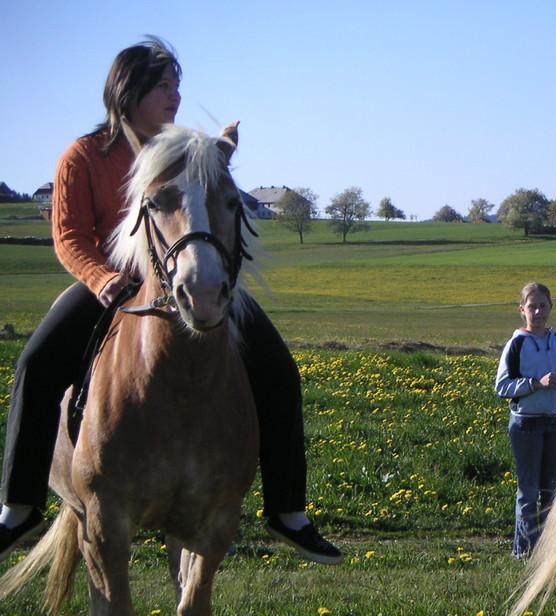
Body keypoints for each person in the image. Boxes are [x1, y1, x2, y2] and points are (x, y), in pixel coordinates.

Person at [0, 37, 343, 566]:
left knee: (279, 371)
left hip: (185, 281)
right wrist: (99, 278)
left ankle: (288, 511)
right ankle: (19, 506)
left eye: (178, 85)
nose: (176, 96)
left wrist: (220, 152)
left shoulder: (185, 149)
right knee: (36, 362)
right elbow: (69, 235)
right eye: (164, 85)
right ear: (128, 89)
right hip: (111, 285)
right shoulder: (84, 156)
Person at [496, 283, 556, 559]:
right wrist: (535, 384)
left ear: (551, 308)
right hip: (526, 425)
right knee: (528, 492)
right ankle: (524, 551)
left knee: (552, 491)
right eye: (532, 307)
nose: (538, 312)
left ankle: (549, 552)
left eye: (543, 306)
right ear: (522, 310)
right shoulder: (517, 344)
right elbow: (502, 387)